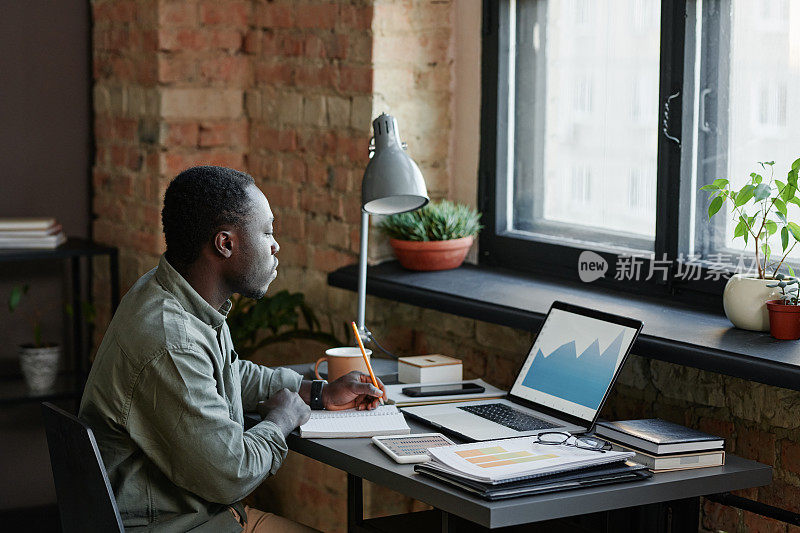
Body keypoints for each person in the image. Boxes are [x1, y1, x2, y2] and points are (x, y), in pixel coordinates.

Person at [79, 166, 385, 532]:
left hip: (207, 519)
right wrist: (281, 420)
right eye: (267, 232)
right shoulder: (171, 341)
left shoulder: (173, 295)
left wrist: (317, 392)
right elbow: (232, 474)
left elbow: (227, 375)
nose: (276, 246)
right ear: (225, 244)